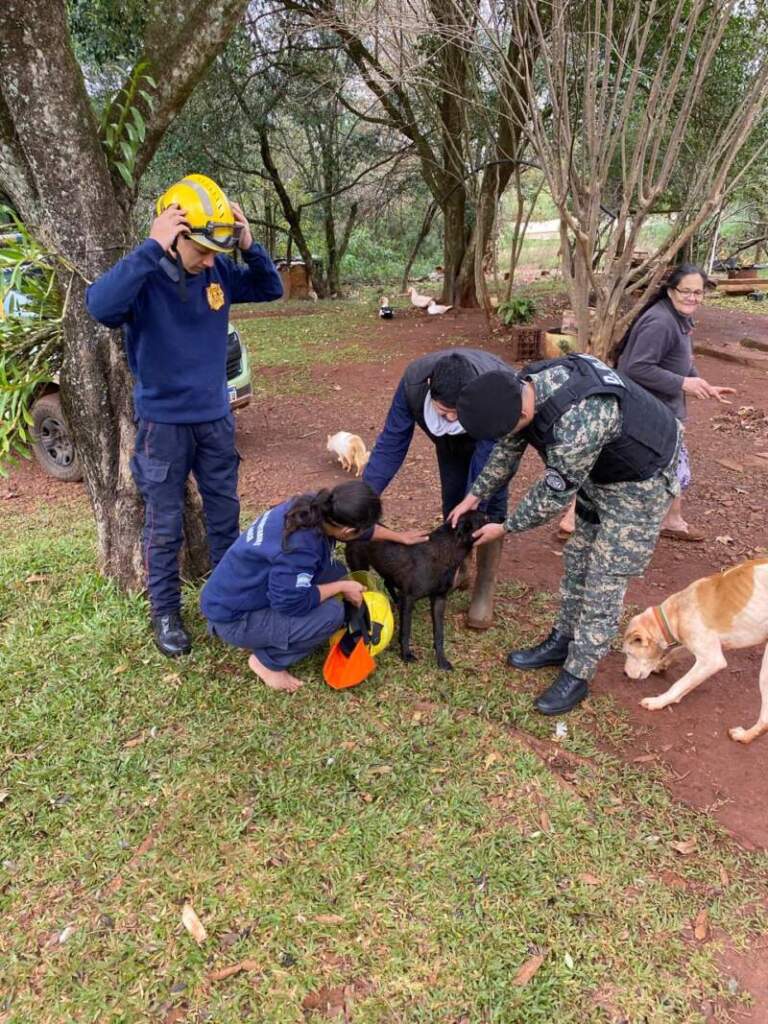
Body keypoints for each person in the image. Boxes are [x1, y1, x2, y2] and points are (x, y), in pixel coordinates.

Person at [86, 174, 284, 657]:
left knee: (224, 515)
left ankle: (226, 599)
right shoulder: (145, 276)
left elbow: (270, 287)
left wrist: (248, 244)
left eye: (218, 249)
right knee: (164, 522)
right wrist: (149, 248)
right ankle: (166, 614)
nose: (211, 259)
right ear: (174, 237)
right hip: (163, 426)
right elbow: (99, 306)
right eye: (202, 249)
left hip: (215, 418)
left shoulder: (216, 272)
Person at [448, 352, 682, 716]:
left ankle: (579, 672)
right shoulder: (521, 387)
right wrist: (474, 495)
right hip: (600, 469)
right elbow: (507, 449)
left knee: (604, 578)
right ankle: (563, 640)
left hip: (641, 482)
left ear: (522, 414)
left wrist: (506, 527)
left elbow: (552, 494)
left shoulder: (578, 422)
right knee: (578, 558)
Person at [200, 481, 426, 692]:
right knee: (332, 613)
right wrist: (340, 587)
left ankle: (264, 632)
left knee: (333, 570)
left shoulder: (312, 506)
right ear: (347, 532)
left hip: (226, 596)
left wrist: (399, 537)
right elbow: (291, 603)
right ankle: (266, 662)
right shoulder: (300, 549)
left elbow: (362, 531)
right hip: (234, 619)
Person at [363, 348, 514, 630]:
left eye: (457, 413)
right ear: (431, 389)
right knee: (454, 499)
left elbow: (490, 462)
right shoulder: (412, 384)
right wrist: (365, 496)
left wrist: (477, 501)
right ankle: (459, 566)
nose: (450, 418)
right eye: (444, 412)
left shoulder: (493, 391)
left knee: (486, 507)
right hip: (450, 445)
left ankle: (484, 587)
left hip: (492, 436)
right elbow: (391, 443)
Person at [615, 263, 735, 541]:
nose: (692, 297)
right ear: (671, 292)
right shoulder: (661, 322)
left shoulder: (680, 318)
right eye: (686, 292)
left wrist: (701, 383)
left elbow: (680, 361)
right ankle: (577, 518)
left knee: (671, 467)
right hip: (644, 410)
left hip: (662, 410)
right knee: (631, 467)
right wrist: (684, 383)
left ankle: (672, 520)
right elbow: (636, 368)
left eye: (698, 292)